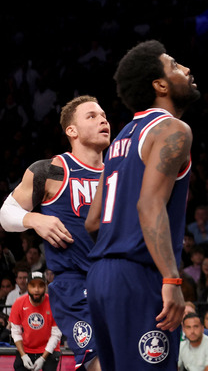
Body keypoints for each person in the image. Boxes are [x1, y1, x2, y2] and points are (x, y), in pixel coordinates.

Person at [85, 40, 200, 370]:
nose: (187, 70)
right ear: (160, 85)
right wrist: (171, 279)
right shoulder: (172, 130)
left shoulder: (121, 137)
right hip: (138, 277)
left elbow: (93, 221)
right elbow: (149, 206)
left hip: (101, 277)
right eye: (176, 66)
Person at [0, 96, 110, 371]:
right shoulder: (51, 170)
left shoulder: (118, 173)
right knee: (101, 363)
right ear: (71, 131)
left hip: (113, 278)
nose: (102, 119)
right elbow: (5, 214)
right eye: (92, 116)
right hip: (75, 282)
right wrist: (35, 219)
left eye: (104, 115)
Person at [9, 272, 60, 371]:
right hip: (26, 349)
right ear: (27, 286)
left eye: (40, 286)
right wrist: (23, 355)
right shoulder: (19, 303)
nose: (36, 290)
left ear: (45, 286)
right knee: (18, 366)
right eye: (33, 286)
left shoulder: (54, 303)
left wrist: (43, 358)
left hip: (49, 350)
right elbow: (16, 332)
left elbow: (56, 335)